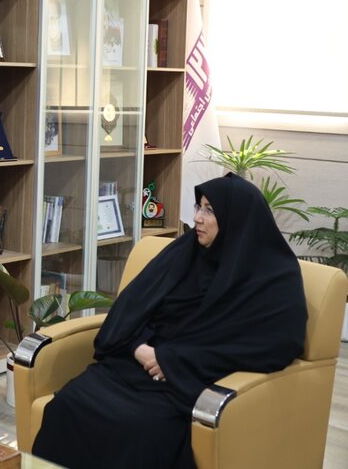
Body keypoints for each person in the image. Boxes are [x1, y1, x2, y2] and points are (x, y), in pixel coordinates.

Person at [31, 173, 307, 468]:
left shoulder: (273, 278)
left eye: (209, 210)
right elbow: (130, 308)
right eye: (199, 207)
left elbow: (274, 346)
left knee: (138, 431)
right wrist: (140, 349)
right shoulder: (185, 252)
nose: (197, 218)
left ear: (236, 219)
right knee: (67, 403)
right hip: (135, 366)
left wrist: (171, 360)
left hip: (185, 383)